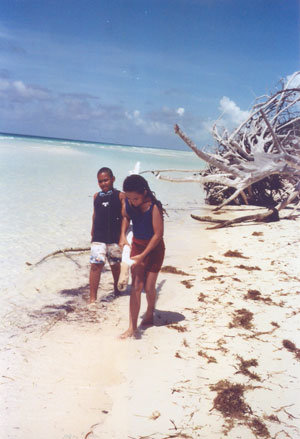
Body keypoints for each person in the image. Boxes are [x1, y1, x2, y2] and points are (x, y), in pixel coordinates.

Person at [119, 174, 165, 338]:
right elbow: (126, 216)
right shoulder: (128, 202)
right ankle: (132, 328)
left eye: (136, 198)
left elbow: (158, 235)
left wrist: (144, 255)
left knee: (149, 287)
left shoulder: (154, 207)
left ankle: (150, 311)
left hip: (154, 250)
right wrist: (123, 235)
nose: (133, 202)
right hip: (137, 245)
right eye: (130, 198)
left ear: (144, 192)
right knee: (136, 287)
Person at [89, 167, 125, 303]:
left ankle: (117, 290)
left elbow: (125, 217)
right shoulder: (96, 196)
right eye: (100, 181)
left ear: (113, 179)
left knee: (115, 265)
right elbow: (95, 214)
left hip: (114, 237)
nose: (103, 183)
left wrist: (123, 236)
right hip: (98, 237)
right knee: (95, 265)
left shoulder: (120, 195)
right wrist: (92, 231)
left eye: (106, 180)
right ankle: (93, 298)